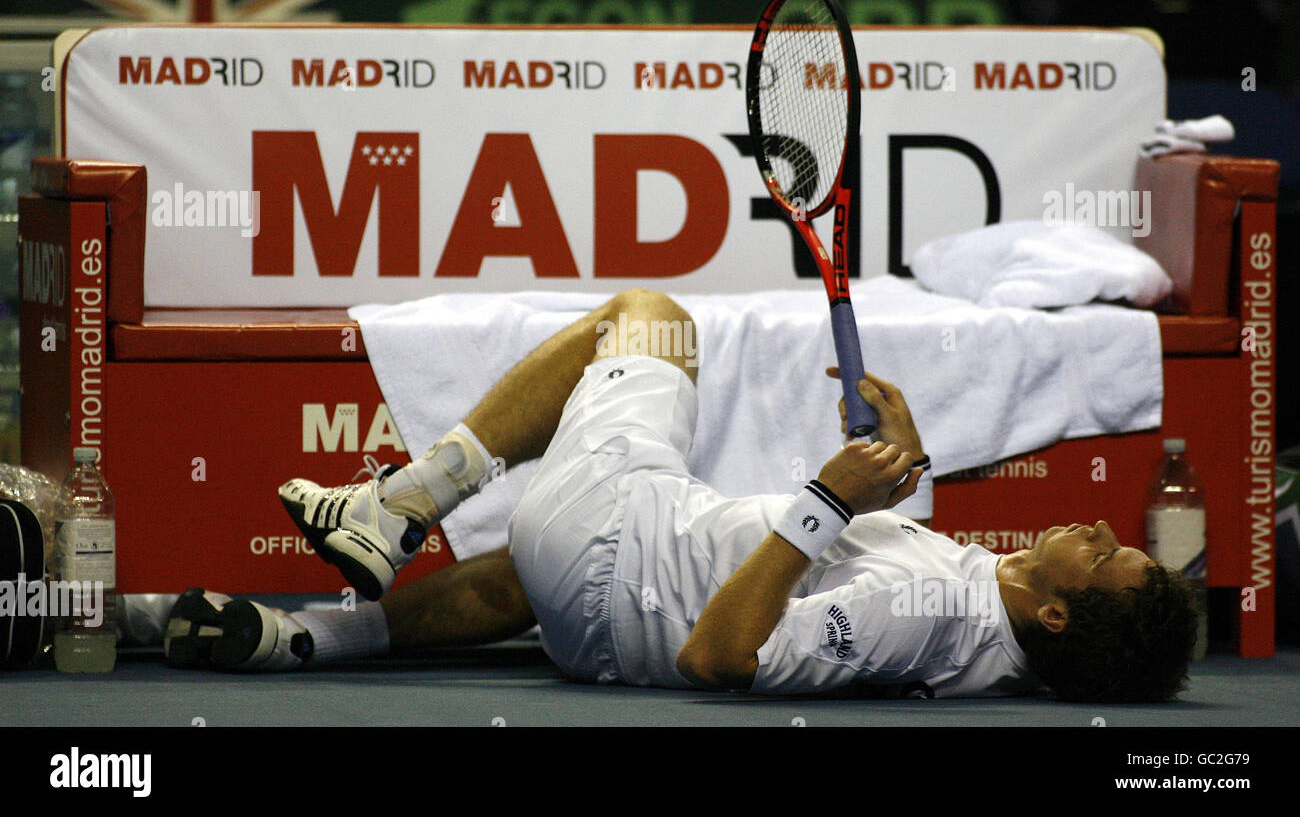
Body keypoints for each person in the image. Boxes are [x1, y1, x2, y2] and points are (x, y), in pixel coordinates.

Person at [165, 289, 1198, 701]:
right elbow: (891, 568)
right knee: (517, 576)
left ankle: (399, 505)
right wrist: (894, 471)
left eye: (1106, 557)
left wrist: (824, 501)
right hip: (597, 617)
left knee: (650, 316)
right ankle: (305, 640)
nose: (1103, 531)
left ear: (1058, 612)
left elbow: (721, 657)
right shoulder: (980, 613)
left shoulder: (918, 618)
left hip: (618, 549)